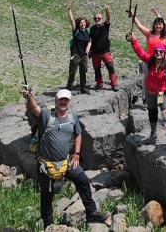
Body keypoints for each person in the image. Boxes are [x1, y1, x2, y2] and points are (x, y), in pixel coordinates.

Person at [23, 87, 108, 228]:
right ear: (55, 100)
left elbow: (78, 133)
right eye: (61, 99)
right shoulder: (46, 114)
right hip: (46, 166)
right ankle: (48, 225)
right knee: (47, 196)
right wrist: (30, 96)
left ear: (70, 102)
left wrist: (77, 153)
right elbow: (35, 109)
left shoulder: (72, 117)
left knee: (83, 181)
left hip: (66, 162)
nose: (63, 102)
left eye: (66, 99)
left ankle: (91, 212)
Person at [127, 33, 166, 148]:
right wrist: (133, 41)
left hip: (161, 94)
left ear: (164, 53)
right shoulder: (150, 61)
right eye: (156, 51)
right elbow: (140, 53)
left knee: (165, 115)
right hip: (150, 92)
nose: (158, 53)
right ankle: (153, 135)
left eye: (161, 51)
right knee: (152, 113)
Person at [89, 4, 118, 91]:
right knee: (97, 69)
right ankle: (99, 83)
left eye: (99, 18)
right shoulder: (92, 29)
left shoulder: (105, 26)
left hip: (105, 51)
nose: (97, 20)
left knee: (110, 67)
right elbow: (90, 40)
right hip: (95, 53)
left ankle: (114, 83)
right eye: (95, 19)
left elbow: (108, 19)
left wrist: (107, 11)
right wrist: (90, 51)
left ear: (102, 19)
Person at [66, 1, 90, 94]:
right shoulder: (76, 31)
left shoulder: (88, 32)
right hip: (75, 55)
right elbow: (72, 21)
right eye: (80, 23)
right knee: (72, 72)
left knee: (83, 72)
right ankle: (68, 88)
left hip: (83, 55)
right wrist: (69, 10)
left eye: (83, 23)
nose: (82, 24)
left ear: (86, 23)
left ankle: (83, 88)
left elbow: (90, 42)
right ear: (78, 24)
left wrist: (88, 50)